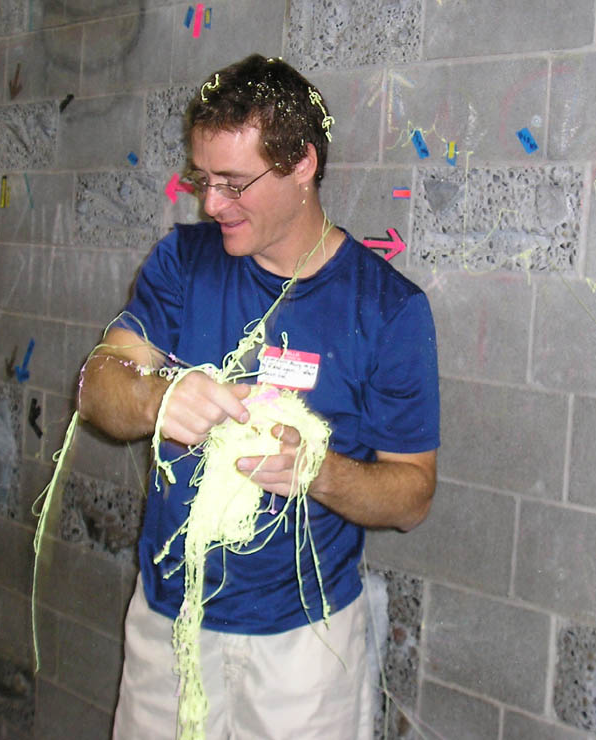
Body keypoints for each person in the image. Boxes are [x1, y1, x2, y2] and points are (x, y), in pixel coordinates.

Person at [77, 54, 440, 739]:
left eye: (235, 184)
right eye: (203, 180)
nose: (212, 204)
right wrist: (159, 397)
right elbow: (98, 385)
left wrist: (319, 471)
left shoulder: (388, 309)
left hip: (304, 647)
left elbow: (413, 494)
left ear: (302, 164)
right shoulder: (183, 262)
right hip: (168, 623)